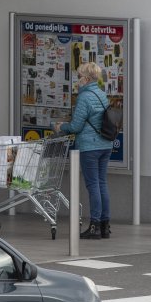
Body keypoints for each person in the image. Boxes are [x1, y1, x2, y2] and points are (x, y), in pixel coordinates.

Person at [55, 62, 113, 240]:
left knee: (93, 185)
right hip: (105, 144)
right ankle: (105, 226)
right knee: (102, 183)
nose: (77, 80)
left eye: (79, 76)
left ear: (86, 79)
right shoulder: (102, 94)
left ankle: (94, 226)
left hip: (90, 146)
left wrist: (60, 126)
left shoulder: (84, 97)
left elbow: (76, 126)